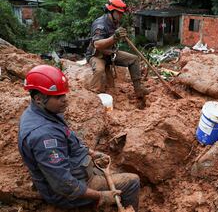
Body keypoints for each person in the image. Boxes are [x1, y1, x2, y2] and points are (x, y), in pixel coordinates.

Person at [18, 65, 140, 211]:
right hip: (67, 192)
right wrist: (100, 196)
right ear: (38, 98)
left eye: (64, 94)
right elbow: (64, 185)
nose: (65, 100)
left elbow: (68, 141)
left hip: (74, 170)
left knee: (116, 173)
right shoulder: (45, 137)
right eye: (58, 97)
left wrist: (91, 153)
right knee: (133, 181)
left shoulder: (44, 111)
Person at [86, 0, 148, 98]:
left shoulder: (114, 22)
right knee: (100, 70)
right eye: (119, 13)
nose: (121, 15)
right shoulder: (100, 24)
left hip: (110, 53)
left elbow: (115, 37)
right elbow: (97, 44)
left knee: (134, 59)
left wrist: (120, 35)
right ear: (111, 11)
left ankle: (138, 89)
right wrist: (115, 37)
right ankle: (92, 96)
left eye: (122, 13)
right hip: (97, 55)